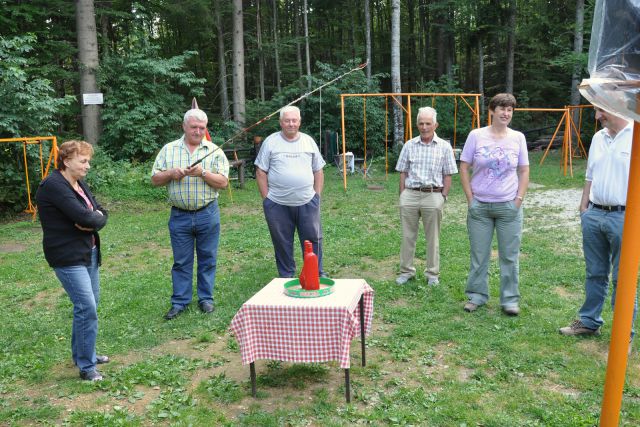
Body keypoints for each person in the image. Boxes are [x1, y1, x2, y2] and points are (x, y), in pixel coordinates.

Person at [559, 107, 636, 341]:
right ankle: (589, 321)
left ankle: (624, 334)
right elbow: (590, 175)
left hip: (625, 217)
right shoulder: (598, 137)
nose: (596, 116)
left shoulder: (636, 134)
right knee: (595, 273)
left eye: (601, 110)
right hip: (593, 214)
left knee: (623, 277)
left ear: (616, 105)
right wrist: (584, 208)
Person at [36, 140, 109, 382]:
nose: (88, 166)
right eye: (83, 161)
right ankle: (87, 367)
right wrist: (90, 218)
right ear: (67, 161)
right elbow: (82, 217)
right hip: (67, 256)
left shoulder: (78, 183)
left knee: (89, 305)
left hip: (88, 251)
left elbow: (99, 213)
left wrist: (94, 217)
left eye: (88, 161)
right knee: (86, 307)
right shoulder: (53, 186)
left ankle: (83, 354)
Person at [151, 108, 229, 320]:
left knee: (208, 258)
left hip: (207, 213)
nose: (197, 131)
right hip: (179, 215)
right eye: (193, 127)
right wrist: (171, 173)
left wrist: (203, 173)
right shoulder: (169, 150)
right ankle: (180, 302)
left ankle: (206, 298)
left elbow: (223, 182)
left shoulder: (214, 150)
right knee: (181, 261)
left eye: (202, 128)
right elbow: (155, 179)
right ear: (184, 126)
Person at [459, 93, 530, 316]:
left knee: (509, 256)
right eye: (501, 108)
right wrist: (471, 199)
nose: (505, 113)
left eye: (509, 110)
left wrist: (518, 199)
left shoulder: (518, 137)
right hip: (480, 207)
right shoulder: (476, 135)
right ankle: (476, 296)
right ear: (492, 111)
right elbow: (464, 166)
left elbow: (524, 169)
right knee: (479, 255)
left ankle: (509, 300)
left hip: (508, 207)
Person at [254, 105, 327, 278]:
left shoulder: (308, 141)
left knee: (313, 240)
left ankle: (316, 273)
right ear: (281, 123)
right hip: (277, 204)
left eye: (294, 120)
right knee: (282, 242)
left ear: (299, 122)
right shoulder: (270, 142)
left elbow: (318, 170)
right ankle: (286, 276)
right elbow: (260, 171)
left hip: (308, 202)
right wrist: (267, 199)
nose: (291, 124)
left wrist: (316, 196)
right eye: (287, 121)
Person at [395, 106, 458, 286]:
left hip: (433, 195)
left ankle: (432, 274)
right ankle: (406, 271)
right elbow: (403, 172)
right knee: (408, 236)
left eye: (428, 123)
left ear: (435, 125)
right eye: (421, 123)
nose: (424, 127)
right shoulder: (409, 145)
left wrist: (443, 196)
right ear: (417, 124)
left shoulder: (444, 147)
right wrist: (403, 195)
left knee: (433, 238)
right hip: (411, 195)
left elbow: (448, 174)